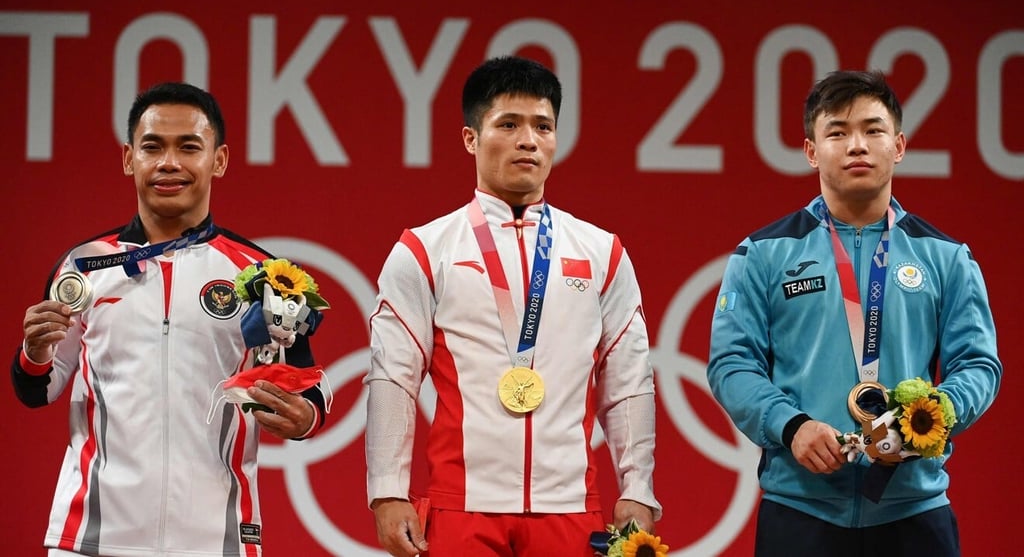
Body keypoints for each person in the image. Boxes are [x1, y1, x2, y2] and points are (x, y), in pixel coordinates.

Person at [11, 82, 328, 556]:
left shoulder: (263, 274)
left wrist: (306, 418)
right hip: (91, 537)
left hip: (215, 541)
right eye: (152, 147)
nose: (169, 163)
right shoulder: (84, 265)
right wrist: (34, 352)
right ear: (128, 158)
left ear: (218, 160)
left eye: (189, 147)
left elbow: (310, 384)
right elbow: (38, 388)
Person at [365, 55, 661, 556]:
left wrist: (637, 487)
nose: (529, 140)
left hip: (570, 508)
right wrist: (387, 491)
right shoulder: (425, 249)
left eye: (543, 126)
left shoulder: (601, 251)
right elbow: (392, 376)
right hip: (462, 508)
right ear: (471, 139)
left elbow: (628, 380)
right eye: (509, 124)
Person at [706, 70, 1002, 557]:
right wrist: (792, 425)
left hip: (914, 510)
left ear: (899, 145)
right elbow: (731, 364)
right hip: (801, 510)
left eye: (873, 129)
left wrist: (925, 420)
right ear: (811, 150)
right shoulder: (763, 254)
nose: (857, 145)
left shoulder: (946, 257)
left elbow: (978, 365)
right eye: (838, 132)